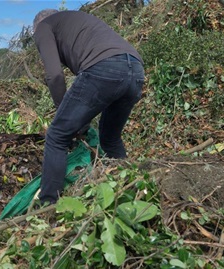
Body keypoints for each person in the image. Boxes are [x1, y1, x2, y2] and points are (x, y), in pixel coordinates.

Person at [33, 9, 145, 205]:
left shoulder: (43, 26)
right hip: (135, 70)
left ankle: (47, 204)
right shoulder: (76, 21)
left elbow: (55, 75)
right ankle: (130, 190)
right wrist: (80, 123)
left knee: (57, 135)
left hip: (104, 67)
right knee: (109, 138)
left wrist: (62, 114)